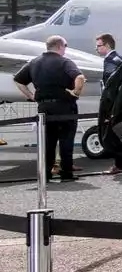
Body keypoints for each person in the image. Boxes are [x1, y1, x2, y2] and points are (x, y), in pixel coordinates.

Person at [14, 35, 85, 182]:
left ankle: (46, 174)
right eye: (65, 46)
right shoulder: (64, 62)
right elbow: (79, 77)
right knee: (66, 140)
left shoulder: (34, 63)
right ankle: (66, 173)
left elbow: (18, 80)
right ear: (59, 46)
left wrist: (31, 95)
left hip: (44, 107)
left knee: (47, 142)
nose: (66, 49)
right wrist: (76, 92)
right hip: (64, 106)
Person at [95, 33, 122, 174]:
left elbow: (110, 84)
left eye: (99, 46)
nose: (96, 49)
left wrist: (108, 107)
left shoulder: (109, 60)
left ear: (107, 45)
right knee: (121, 133)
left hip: (113, 104)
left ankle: (120, 164)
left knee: (114, 133)